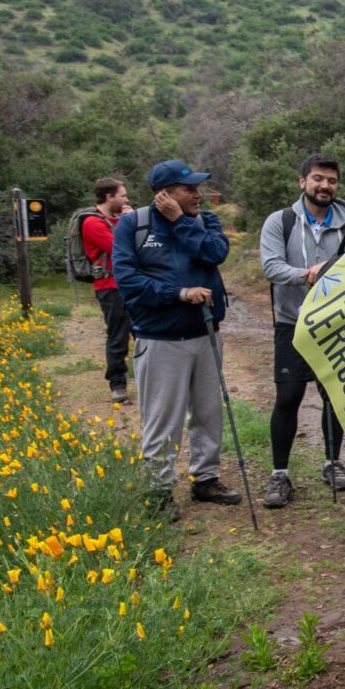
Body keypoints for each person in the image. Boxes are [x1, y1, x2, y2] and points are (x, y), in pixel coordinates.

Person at [112, 159, 240, 517]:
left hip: (206, 333)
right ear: (164, 193)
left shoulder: (203, 220)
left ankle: (206, 478)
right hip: (160, 338)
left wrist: (180, 221)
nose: (197, 194)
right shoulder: (131, 225)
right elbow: (127, 281)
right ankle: (159, 489)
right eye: (189, 189)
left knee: (208, 411)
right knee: (162, 417)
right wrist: (180, 293)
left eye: (197, 187)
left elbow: (216, 253)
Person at [257, 153, 345, 509]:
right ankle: (280, 474)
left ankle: (333, 462)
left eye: (331, 181)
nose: (325, 186)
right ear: (302, 182)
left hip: (337, 324)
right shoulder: (280, 221)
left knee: (336, 396)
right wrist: (307, 273)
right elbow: (270, 265)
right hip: (291, 322)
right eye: (318, 179)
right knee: (288, 397)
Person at [80, 176, 132, 404]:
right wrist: (128, 222)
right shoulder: (93, 223)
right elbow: (119, 247)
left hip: (129, 284)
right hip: (110, 287)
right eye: (122, 195)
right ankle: (117, 384)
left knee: (143, 333)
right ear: (109, 197)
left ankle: (149, 378)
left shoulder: (115, 219)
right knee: (118, 334)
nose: (126, 199)